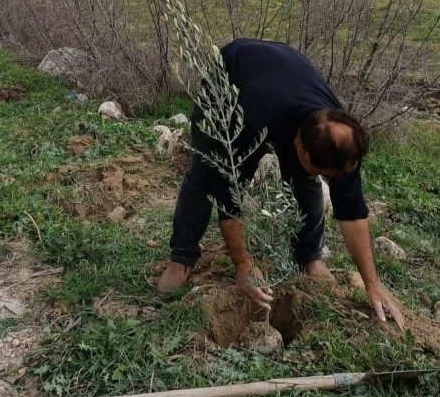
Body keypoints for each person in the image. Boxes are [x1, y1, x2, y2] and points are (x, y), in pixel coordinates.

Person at [158, 38, 404, 329]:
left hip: (284, 72)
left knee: (305, 181)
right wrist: (243, 264)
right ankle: (182, 256)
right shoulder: (248, 122)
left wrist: (372, 284)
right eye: (322, 171)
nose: (328, 179)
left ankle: (310, 256)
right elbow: (229, 198)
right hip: (230, 80)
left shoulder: (340, 140)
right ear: (299, 146)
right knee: (203, 172)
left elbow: (352, 213)